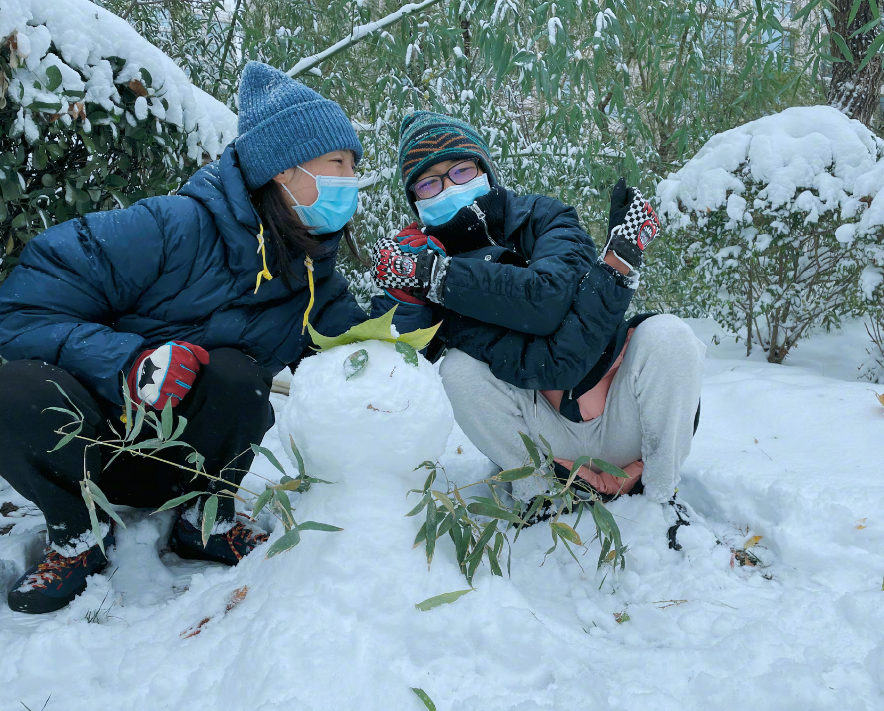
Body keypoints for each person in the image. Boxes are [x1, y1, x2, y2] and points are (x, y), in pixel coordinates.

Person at [0, 62, 400, 614]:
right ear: (282, 171)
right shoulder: (167, 229)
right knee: (11, 386)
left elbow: (366, 355)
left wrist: (413, 298)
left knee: (236, 373)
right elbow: (20, 312)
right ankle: (77, 533)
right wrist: (128, 363)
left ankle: (204, 521)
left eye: (354, 167)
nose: (349, 181)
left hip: (186, 465)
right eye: (337, 163)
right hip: (90, 448)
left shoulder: (314, 279)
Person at [370, 111, 705, 519]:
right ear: (417, 200)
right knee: (458, 370)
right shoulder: (419, 260)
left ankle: (662, 500)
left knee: (669, 335)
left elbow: (545, 304)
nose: (448, 188)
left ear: (484, 171)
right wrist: (405, 292)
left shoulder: (544, 217)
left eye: (460, 170)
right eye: (429, 182)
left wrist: (441, 278)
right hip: (542, 438)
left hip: (621, 417)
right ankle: (540, 496)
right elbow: (398, 361)